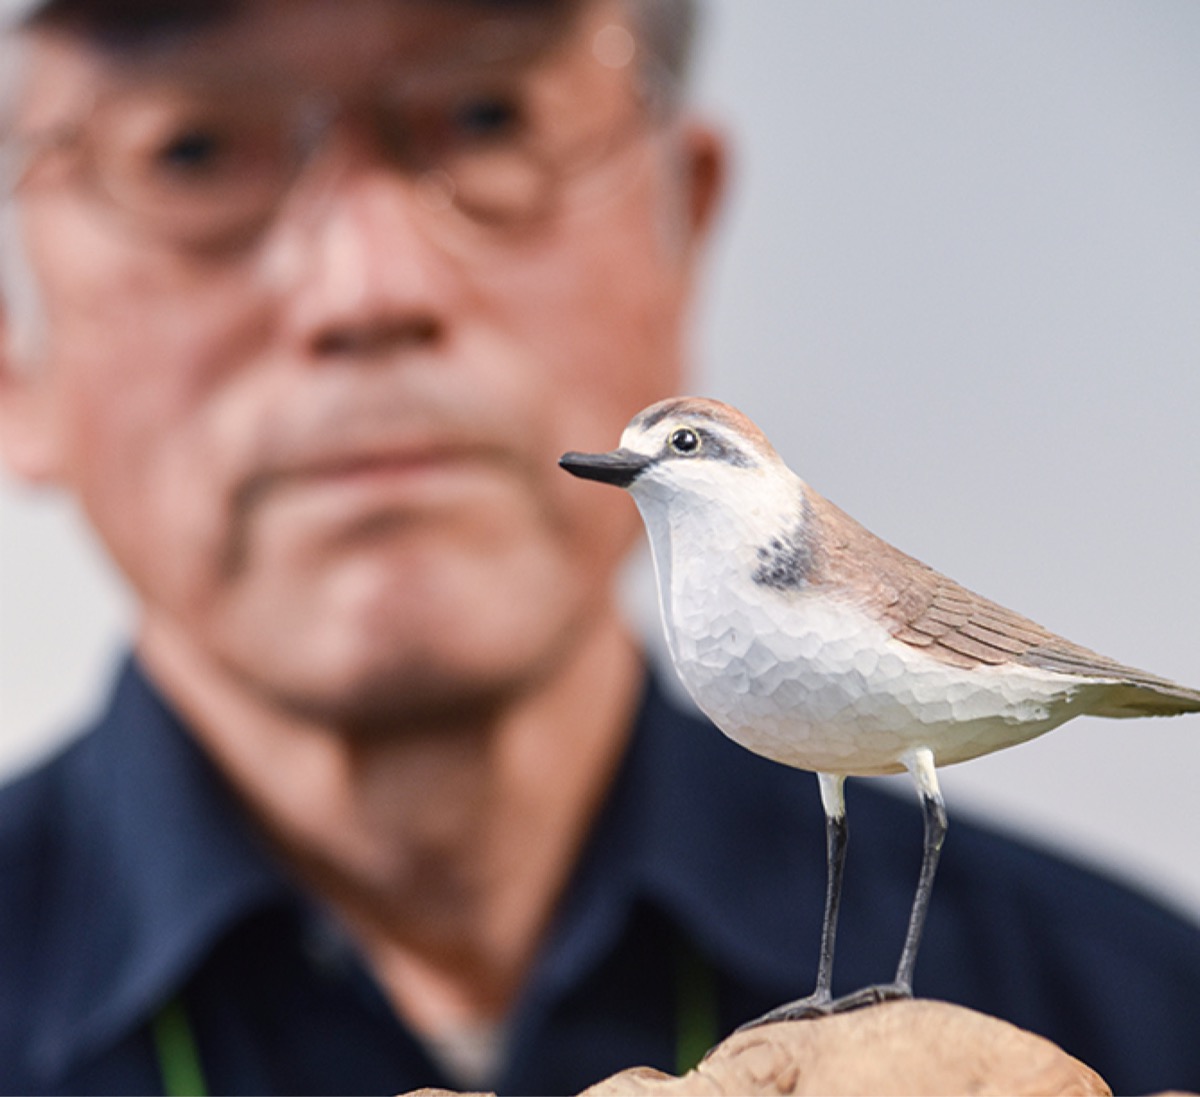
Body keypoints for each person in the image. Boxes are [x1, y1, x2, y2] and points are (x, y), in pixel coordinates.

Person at [1, 1, 1198, 1094]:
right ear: (13, 358)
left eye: (487, 116)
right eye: (193, 150)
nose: (368, 286)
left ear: (689, 231)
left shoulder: (1149, 1015)